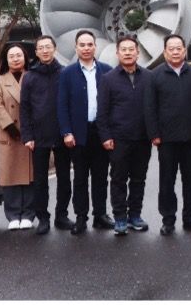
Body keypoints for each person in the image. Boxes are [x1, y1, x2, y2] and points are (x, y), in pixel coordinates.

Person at [144, 34, 191, 236]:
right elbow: (149, 107)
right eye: (171, 49)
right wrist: (154, 133)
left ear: (185, 50)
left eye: (179, 48)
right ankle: (168, 220)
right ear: (165, 52)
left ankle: (190, 218)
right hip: (166, 138)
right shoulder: (155, 76)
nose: (175, 52)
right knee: (167, 181)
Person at [57, 30, 113, 235]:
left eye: (90, 45)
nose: (86, 48)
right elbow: (62, 105)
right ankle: (81, 217)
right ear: (76, 47)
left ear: (95, 47)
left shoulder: (107, 71)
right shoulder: (67, 73)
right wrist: (66, 132)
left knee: (100, 177)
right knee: (80, 178)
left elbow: (112, 104)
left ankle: (100, 215)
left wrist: (110, 133)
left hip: (101, 132)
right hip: (78, 134)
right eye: (82, 45)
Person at [97, 37, 152, 236]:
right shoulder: (108, 79)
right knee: (118, 179)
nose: (128, 53)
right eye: (124, 50)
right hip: (118, 139)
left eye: (131, 49)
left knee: (139, 179)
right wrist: (105, 136)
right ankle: (120, 217)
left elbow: (154, 108)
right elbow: (102, 111)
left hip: (143, 138)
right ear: (117, 53)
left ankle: (135, 216)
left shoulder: (149, 77)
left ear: (138, 52)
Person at [21, 35, 73, 235]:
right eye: (41, 48)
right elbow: (25, 108)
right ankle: (43, 217)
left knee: (64, 178)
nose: (45, 51)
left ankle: (62, 215)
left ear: (55, 49)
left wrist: (70, 131)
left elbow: (71, 103)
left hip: (62, 133)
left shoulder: (65, 73)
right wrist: (27, 136)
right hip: (38, 135)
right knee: (40, 180)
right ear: (36, 52)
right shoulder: (30, 76)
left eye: (48, 47)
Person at [0, 43, 35, 230]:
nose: (16, 59)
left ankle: (28, 214)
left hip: (30, 134)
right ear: (6, 60)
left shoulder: (32, 77)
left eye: (19, 55)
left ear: (25, 57)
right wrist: (10, 127)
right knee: (9, 176)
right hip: (8, 135)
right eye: (11, 56)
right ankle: (13, 215)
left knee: (30, 176)